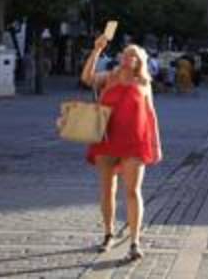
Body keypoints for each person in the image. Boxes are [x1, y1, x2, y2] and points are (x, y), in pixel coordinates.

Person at [81, 34, 162, 262]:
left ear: (140, 62)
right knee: (107, 189)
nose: (129, 59)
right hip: (107, 138)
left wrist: (154, 144)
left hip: (134, 142)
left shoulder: (144, 83)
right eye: (126, 55)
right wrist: (96, 50)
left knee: (133, 191)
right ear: (120, 58)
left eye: (134, 56)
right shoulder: (110, 77)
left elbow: (150, 116)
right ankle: (108, 234)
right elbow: (87, 78)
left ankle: (135, 241)